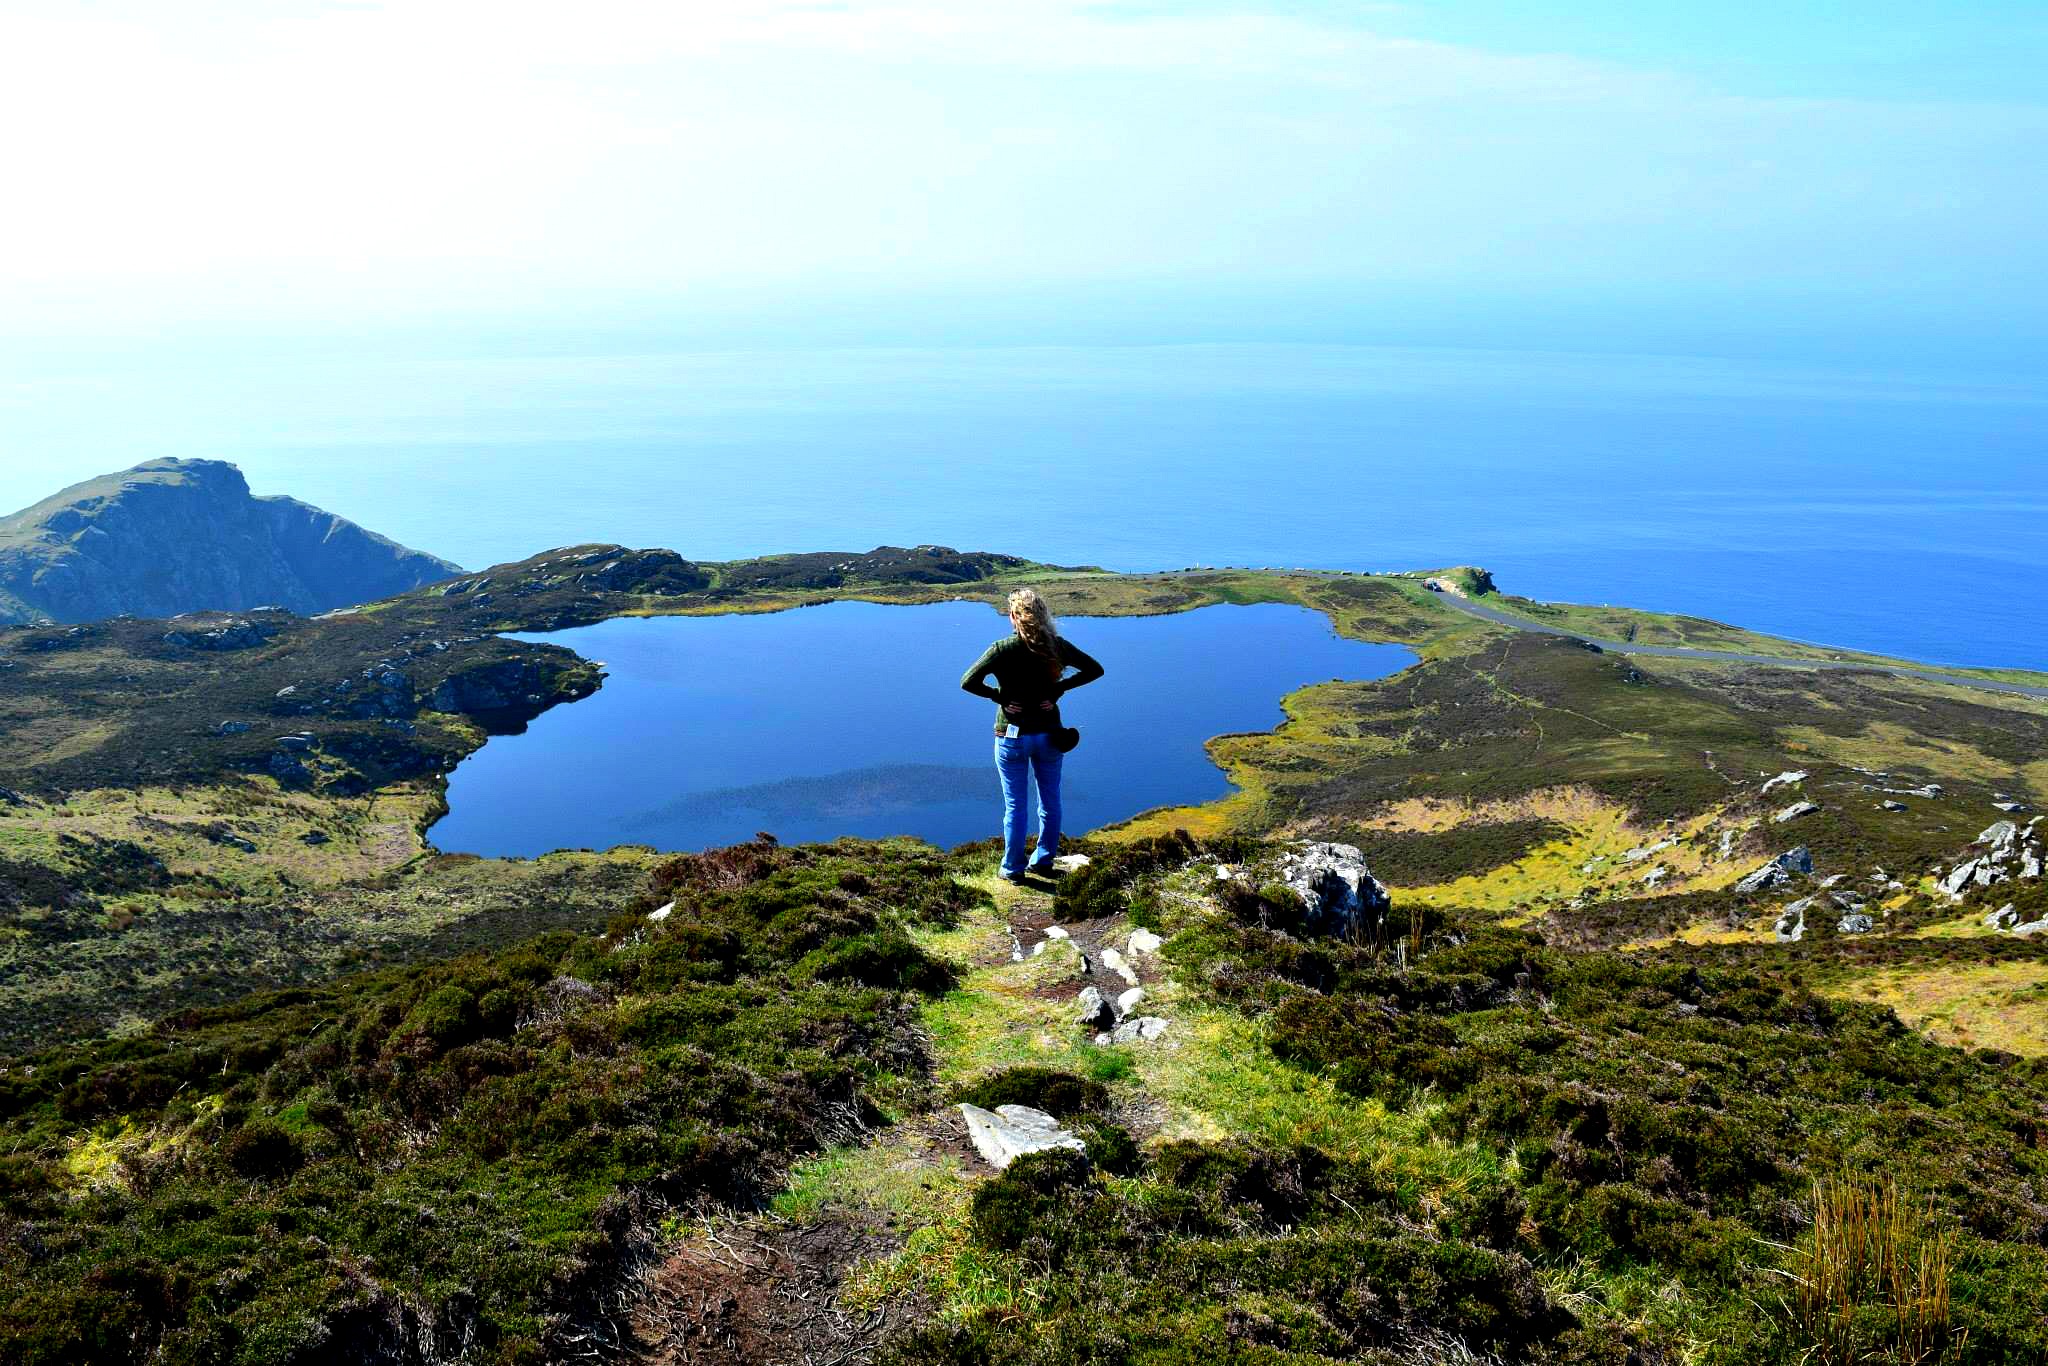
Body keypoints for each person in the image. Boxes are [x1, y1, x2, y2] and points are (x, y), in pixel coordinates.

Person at [959, 588, 1105, 882]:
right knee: (1050, 801)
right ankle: (1043, 861)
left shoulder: (1002, 649)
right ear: (1042, 615)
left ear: (1014, 616)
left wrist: (1000, 697)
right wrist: (1058, 689)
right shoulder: (1057, 646)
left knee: (1015, 806)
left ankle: (1013, 868)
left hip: (1012, 737)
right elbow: (1094, 669)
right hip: (1049, 735)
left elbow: (968, 681)